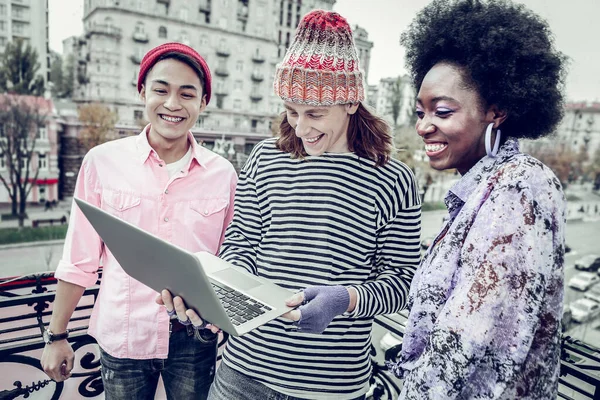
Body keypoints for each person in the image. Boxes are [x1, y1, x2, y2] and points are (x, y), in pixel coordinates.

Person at [160, 10, 421, 400]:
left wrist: (345, 299)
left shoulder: (394, 179)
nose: (300, 127)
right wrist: (214, 294)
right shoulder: (264, 159)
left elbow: (402, 282)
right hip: (241, 374)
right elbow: (242, 244)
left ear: (350, 102)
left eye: (314, 113)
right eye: (291, 111)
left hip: (330, 387)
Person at [388, 1, 567, 398]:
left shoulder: (519, 187)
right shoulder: (482, 190)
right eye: (420, 113)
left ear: (496, 110)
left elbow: (464, 344)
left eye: (443, 111)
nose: (423, 126)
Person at [41, 43, 237, 400]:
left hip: (195, 337)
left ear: (203, 102)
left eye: (187, 94)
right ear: (142, 92)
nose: (173, 104)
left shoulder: (223, 174)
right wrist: (56, 336)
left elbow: (231, 260)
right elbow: (79, 259)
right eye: (161, 90)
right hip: (123, 335)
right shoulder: (102, 162)